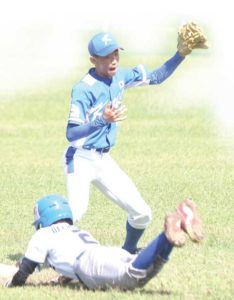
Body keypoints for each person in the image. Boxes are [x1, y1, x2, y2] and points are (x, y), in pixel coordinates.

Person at [64, 29, 207, 254]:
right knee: (73, 213)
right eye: (106, 57)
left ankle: (128, 251)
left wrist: (180, 54)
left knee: (142, 213)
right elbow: (71, 134)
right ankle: (41, 253)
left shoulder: (120, 77)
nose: (113, 61)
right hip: (80, 158)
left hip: (103, 159)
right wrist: (102, 120)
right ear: (93, 60)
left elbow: (156, 77)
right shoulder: (83, 88)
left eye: (116, 55)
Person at [6, 194, 203, 289]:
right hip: (105, 252)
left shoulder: (44, 234)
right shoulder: (76, 231)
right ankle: (176, 230)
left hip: (87, 263)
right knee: (143, 272)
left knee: (134, 277)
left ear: (45, 218)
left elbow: (25, 270)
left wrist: (12, 286)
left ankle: (168, 232)